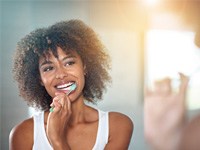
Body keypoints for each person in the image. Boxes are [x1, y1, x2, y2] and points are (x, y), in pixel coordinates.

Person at [9, 19, 133, 150]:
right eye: (48, 68)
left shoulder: (117, 126)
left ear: (84, 66)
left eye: (69, 63)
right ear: (39, 78)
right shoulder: (23, 134)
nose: (61, 74)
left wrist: (57, 139)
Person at [144, 73, 189, 150]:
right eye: (159, 85)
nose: (160, 88)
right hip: (160, 140)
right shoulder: (151, 100)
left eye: (163, 84)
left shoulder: (173, 99)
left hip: (170, 141)